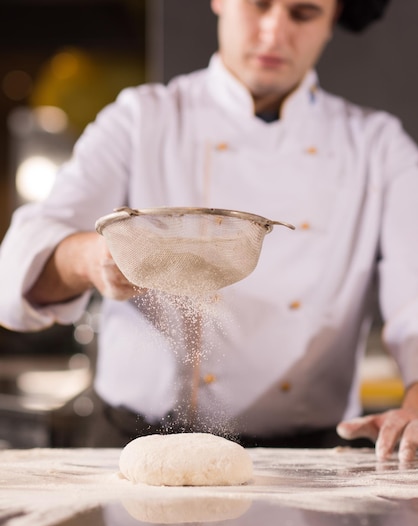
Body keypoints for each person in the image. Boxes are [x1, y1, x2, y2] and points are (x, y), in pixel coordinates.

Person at [1, 0, 417, 460]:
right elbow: (21, 258)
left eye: (303, 14)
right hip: (131, 445)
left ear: (333, 20)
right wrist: (92, 260)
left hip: (304, 461)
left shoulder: (377, 146)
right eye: (259, 5)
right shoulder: (143, 119)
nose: (275, 33)